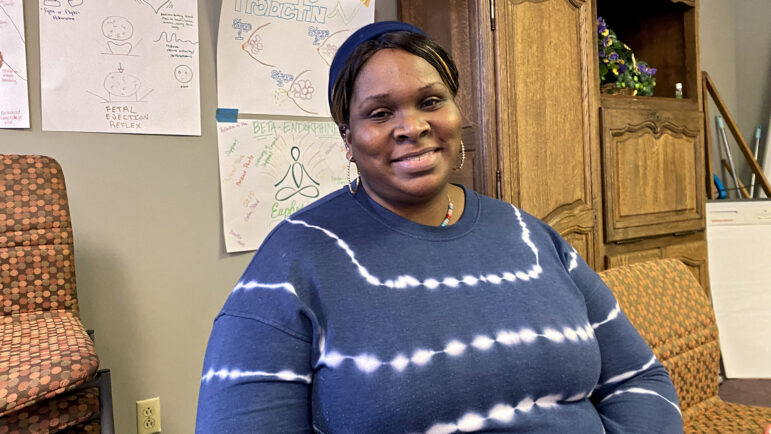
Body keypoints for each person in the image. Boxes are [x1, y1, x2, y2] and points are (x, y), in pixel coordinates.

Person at [196, 21, 683, 433]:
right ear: (348, 138)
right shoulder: (294, 261)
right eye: (380, 113)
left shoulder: (531, 237)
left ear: (455, 112)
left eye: (430, 101)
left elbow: (640, 379)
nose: (412, 126)